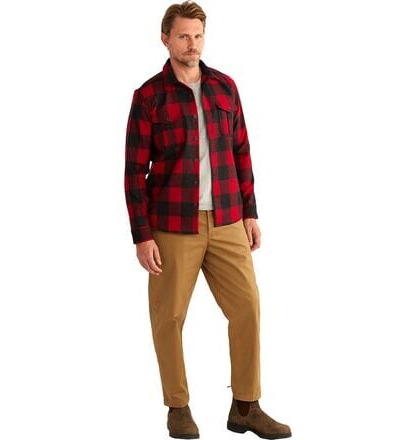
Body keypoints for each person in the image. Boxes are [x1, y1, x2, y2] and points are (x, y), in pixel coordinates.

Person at [124, 2, 292, 438]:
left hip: (228, 219)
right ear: (165, 39)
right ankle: (178, 407)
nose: (192, 44)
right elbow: (134, 171)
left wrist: (250, 211)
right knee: (169, 317)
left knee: (248, 308)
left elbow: (241, 152)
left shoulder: (225, 87)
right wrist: (142, 235)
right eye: (183, 36)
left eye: (198, 36)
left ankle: (246, 406)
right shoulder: (149, 96)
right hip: (172, 224)